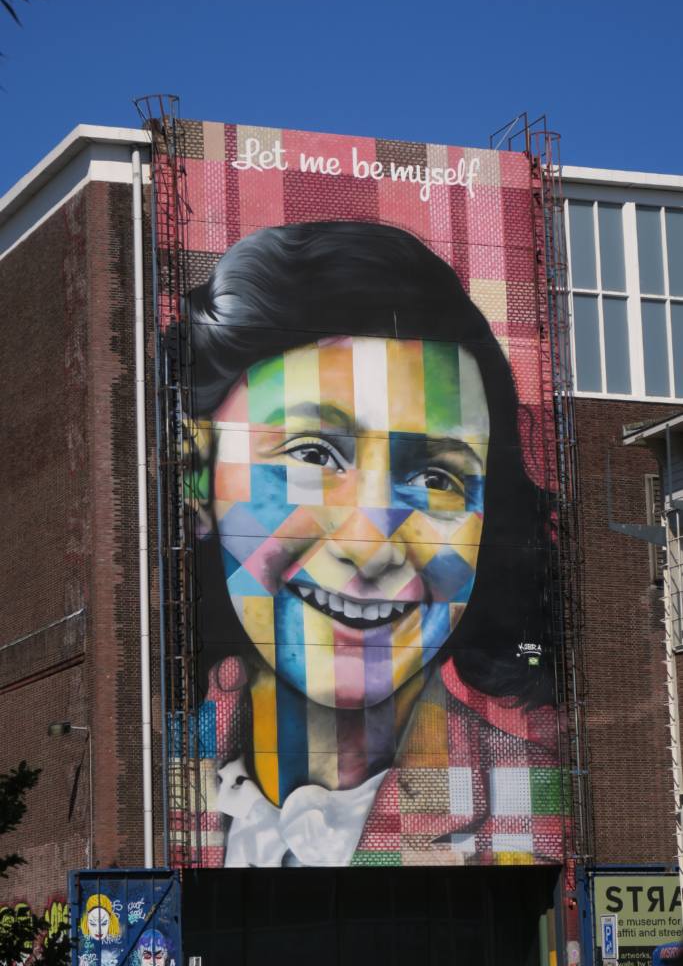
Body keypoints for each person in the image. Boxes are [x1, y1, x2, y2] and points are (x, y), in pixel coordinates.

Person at [181, 221, 561, 867]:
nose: (371, 544)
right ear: (196, 476)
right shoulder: (154, 772)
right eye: (311, 454)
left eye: (436, 477)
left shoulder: (530, 815)